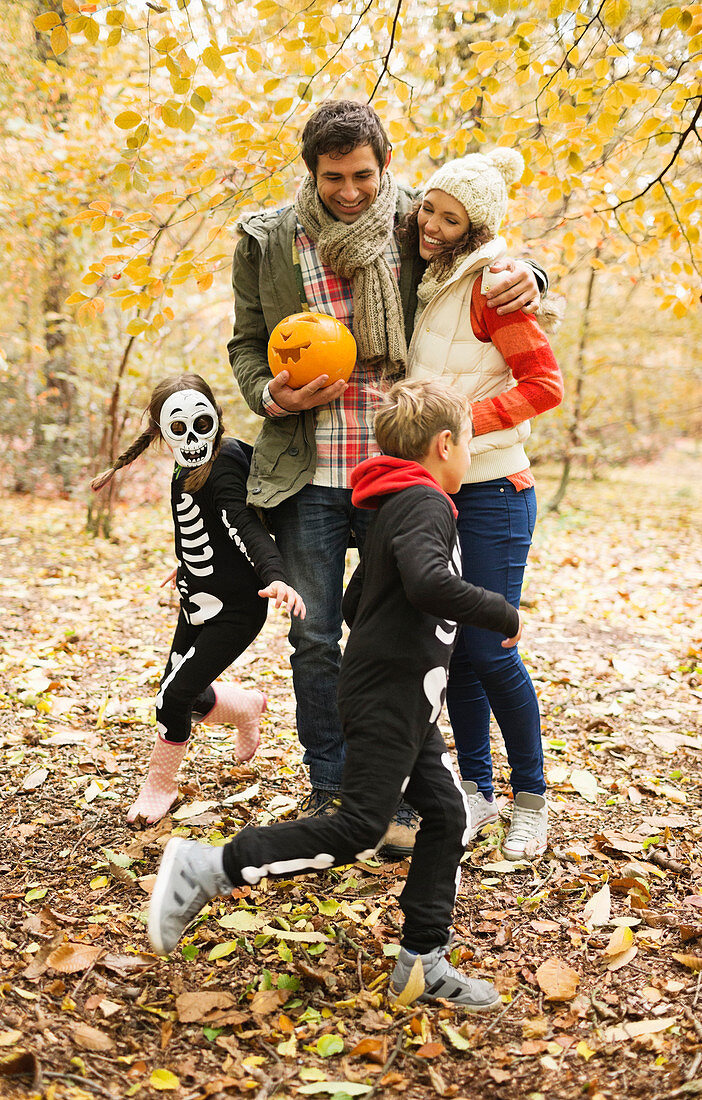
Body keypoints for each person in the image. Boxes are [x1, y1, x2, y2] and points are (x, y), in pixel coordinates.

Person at [228, 99, 547, 856]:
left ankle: (407, 785)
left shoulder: (415, 222)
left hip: (399, 471)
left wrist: (530, 274)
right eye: (333, 177)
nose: (349, 191)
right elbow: (246, 345)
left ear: (386, 167)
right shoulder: (269, 239)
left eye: (364, 175)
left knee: (401, 635)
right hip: (307, 468)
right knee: (315, 636)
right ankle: (334, 782)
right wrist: (271, 394)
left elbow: (488, 256)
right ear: (311, 171)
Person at [147, 378, 522, 1011]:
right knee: (358, 827)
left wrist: (396, 639)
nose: (471, 457)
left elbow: (355, 600)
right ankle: (206, 869)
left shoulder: (397, 504)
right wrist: (501, 614)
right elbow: (429, 583)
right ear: (445, 443)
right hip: (390, 696)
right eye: (471, 444)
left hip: (404, 698)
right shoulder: (425, 505)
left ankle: (421, 963)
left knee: (448, 815)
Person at [404, 148, 564, 859]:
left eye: (450, 219)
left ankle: (531, 798)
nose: (431, 225)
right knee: (457, 657)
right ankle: (475, 791)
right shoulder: (431, 276)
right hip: (440, 495)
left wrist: (460, 422)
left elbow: (544, 387)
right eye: (429, 209)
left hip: (496, 492)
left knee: (489, 649)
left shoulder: (490, 287)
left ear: (477, 230)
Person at [91, 374, 305, 824]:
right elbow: (200, 524)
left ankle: (160, 788)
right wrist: (188, 561)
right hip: (197, 598)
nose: (191, 438)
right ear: (162, 431)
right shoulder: (182, 464)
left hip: (236, 610)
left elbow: (244, 525)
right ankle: (246, 707)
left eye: (201, 423)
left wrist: (276, 575)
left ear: (216, 419)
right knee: (183, 692)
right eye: (178, 428)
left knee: (172, 697)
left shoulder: (223, 463)